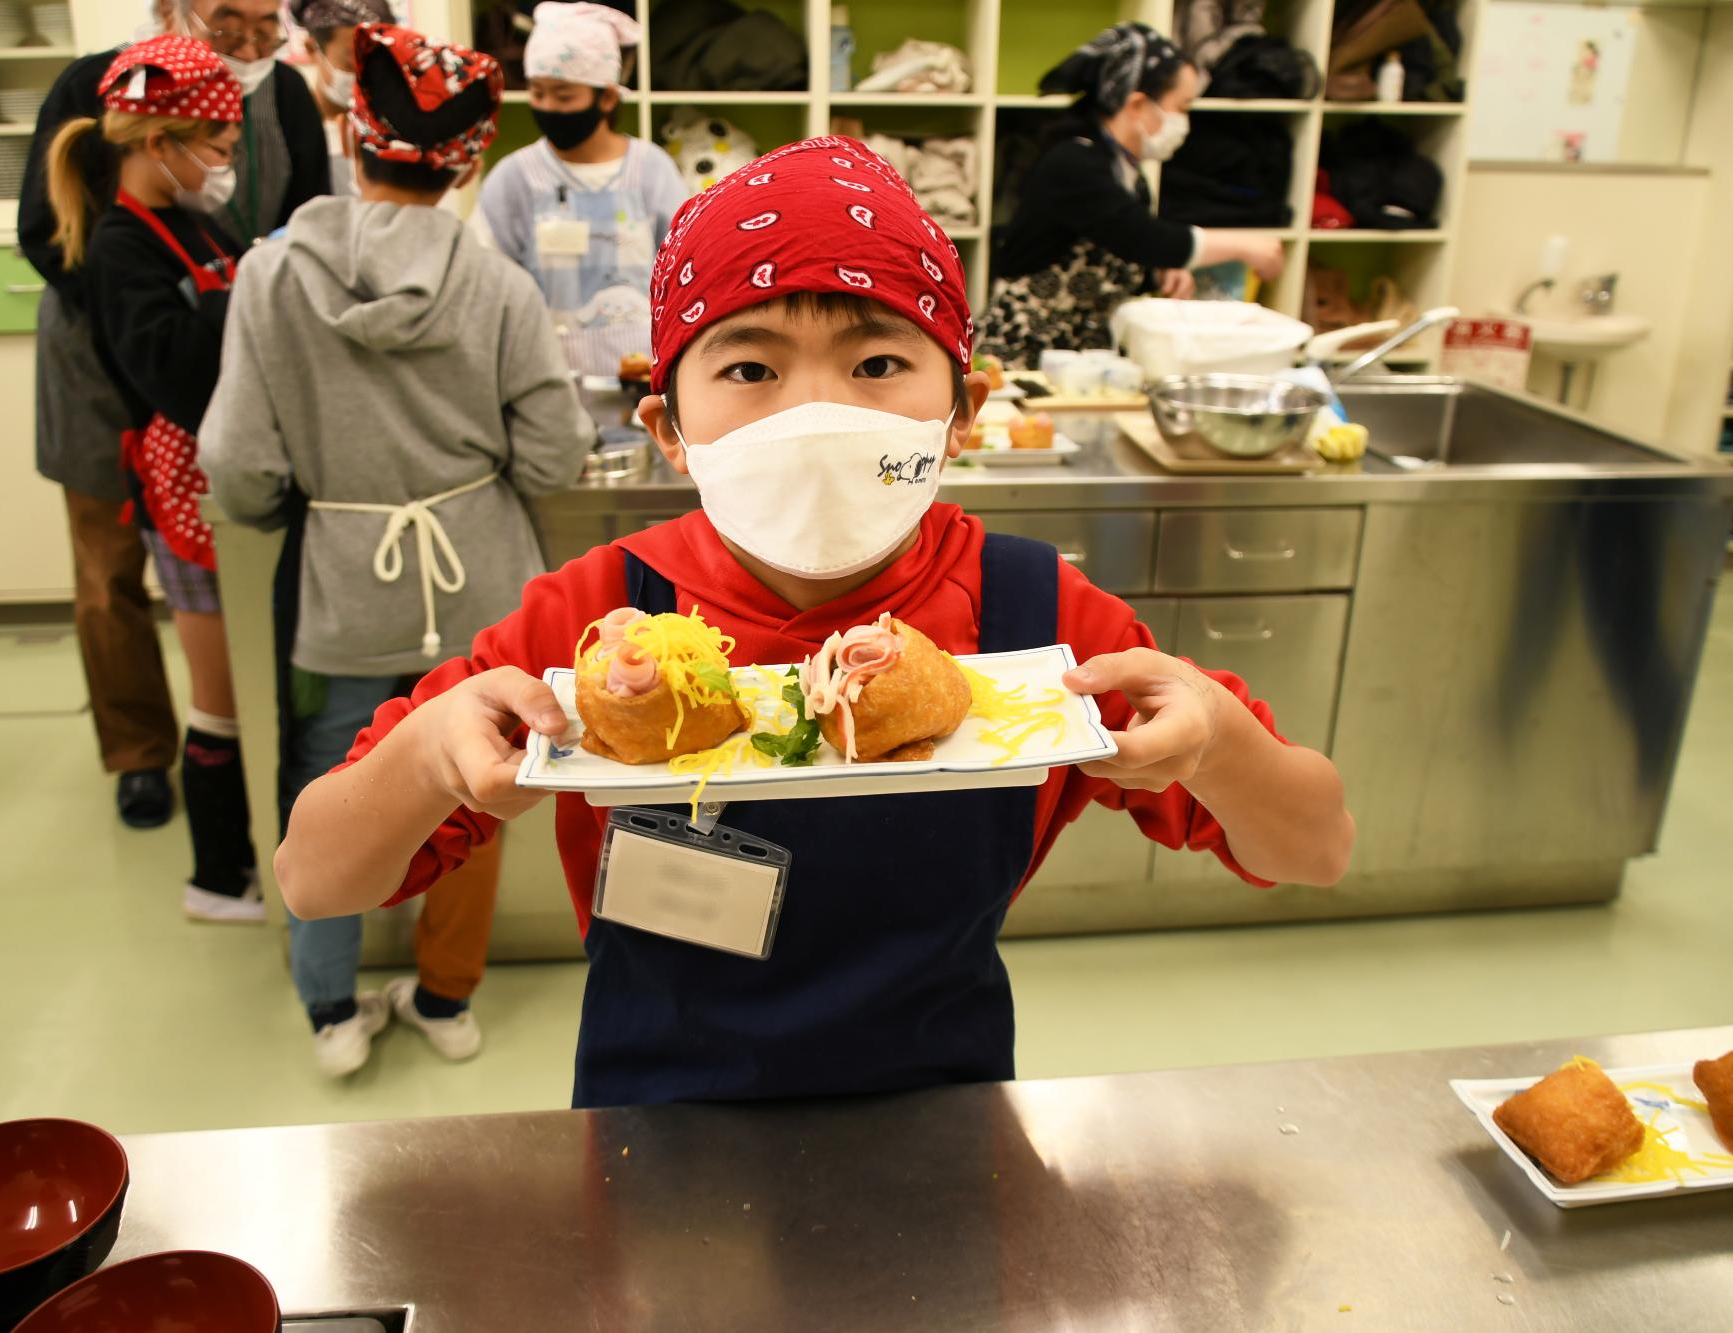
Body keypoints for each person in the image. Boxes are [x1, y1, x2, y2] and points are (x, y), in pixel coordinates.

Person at [274, 136, 1355, 1110]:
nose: (811, 414)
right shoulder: (597, 626)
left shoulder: (1041, 618)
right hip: (658, 1115)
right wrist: (428, 752)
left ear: (963, 410)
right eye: (748, 368)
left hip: (939, 1111)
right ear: (668, 427)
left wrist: (1216, 742)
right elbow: (317, 879)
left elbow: (1312, 847)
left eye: (876, 364)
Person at [200, 23, 595, 1075]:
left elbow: (235, 469)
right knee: (479, 784)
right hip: (480, 588)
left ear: (347, 126)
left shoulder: (271, 276)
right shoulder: (498, 285)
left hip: (342, 580)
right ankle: (446, 996)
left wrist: (321, 496)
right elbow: (554, 458)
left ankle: (331, 1013)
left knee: (329, 798)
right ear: (468, 160)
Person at [17, 0, 330, 830]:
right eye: (231, 21)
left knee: (224, 633)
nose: (252, 43)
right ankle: (139, 757)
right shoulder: (100, 99)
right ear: (173, 11)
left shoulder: (281, 99)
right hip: (116, 365)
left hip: (197, 367)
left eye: (270, 27)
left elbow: (308, 217)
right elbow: (60, 242)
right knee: (112, 571)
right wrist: (191, 306)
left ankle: (239, 789)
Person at [43, 35, 260, 923]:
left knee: (244, 682)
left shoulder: (194, 222)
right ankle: (215, 877)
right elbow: (169, 371)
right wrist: (235, 300)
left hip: (220, 480)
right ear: (156, 142)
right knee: (220, 699)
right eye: (216, 150)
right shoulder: (122, 246)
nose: (225, 168)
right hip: (182, 496)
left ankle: (246, 857)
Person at [977, 23, 1288, 367]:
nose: (1184, 122)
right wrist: (1246, 246)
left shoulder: (1127, 172)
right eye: (1181, 107)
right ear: (1138, 104)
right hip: (1024, 348)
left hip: (1078, 353)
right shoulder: (1073, 163)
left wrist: (1153, 275)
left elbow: (1108, 255)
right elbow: (1142, 237)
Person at [474, 1, 688, 375]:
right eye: (538, 93)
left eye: (564, 95)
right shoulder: (515, 178)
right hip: (543, 376)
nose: (547, 107)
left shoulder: (651, 171)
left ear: (606, 97)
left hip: (642, 377)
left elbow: (686, 273)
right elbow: (485, 281)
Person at [288, 0, 393, 196]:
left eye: (378, 60)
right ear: (312, 49)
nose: (367, 73)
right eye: (352, 61)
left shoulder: (396, 130)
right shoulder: (290, 131)